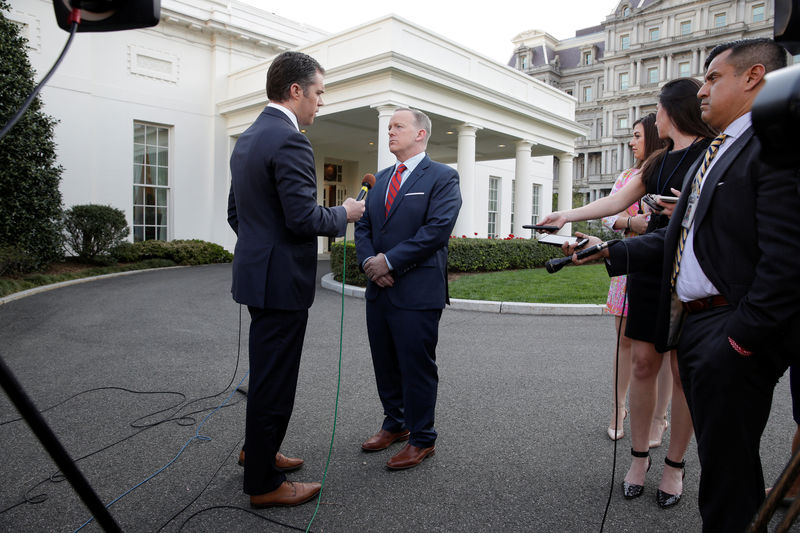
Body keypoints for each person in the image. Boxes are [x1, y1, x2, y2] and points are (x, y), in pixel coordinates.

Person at [568, 38, 799, 531]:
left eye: (714, 78)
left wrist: (740, 339)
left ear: (753, 76)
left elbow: (788, 259)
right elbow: (679, 241)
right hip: (694, 324)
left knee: (729, 477)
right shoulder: (716, 151)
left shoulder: (775, 145)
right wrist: (607, 251)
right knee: (722, 470)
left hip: (729, 331)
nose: (703, 91)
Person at [541, 77, 717, 509]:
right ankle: (638, 459)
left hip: (688, 273)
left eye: (657, 109)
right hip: (647, 267)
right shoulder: (657, 161)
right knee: (641, 363)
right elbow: (617, 201)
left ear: (671, 111)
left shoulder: (710, 155)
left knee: (681, 373)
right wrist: (566, 214)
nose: (653, 117)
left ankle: (674, 465)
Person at [227, 51, 365, 508]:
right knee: (276, 381)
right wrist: (344, 213)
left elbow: (237, 215)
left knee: (265, 375)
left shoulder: (247, 138)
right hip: (282, 283)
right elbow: (304, 218)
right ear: (295, 91)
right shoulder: (290, 140)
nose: (320, 102)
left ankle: (257, 452)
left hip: (257, 278)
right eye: (319, 92)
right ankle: (264, 485)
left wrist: (261, 248)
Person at [354, 108, 462, 470]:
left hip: (417, 291)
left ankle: (422, 438)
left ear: (421, 134)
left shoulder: (444, 177)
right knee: (384, 362)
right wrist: (371, 265)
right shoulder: (381, 179)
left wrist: (390, 262)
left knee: (416, 366)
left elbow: (436, 230)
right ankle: (395, 423)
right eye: (389, 127)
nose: (390, 132)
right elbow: (364, 226)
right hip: (380, 290)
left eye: (398, 126)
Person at [599, 113, 671, 443]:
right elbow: (608, 217)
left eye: (638, 136)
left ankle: (659, 417)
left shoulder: (669, 170)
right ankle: (618, 408)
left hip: (664, 268)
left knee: (665, 347)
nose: (632, 142)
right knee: (623, 341)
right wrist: (631, 224)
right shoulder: (627, 176)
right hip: (627, 267)